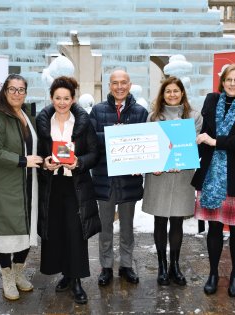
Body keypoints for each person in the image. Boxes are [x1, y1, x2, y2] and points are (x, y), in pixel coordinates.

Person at [191, 64, 235, 297]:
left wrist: (215, 142)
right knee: (214, 227)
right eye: (228, 80)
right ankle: (213, 273)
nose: (232, 83)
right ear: (222, 82)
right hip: (212, 175)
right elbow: (200, 130)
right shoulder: (211, 102)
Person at [36, 76, 101, 304]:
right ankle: (65, 274)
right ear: (51, 98)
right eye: (57, 98)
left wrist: (78, 163)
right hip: (52, 185)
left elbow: (94, 154)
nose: (62, 102)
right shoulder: (43, 122)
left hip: (76, 184)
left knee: (76, 232)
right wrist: (45, 163)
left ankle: (77, 280)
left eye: (66, 98)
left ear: (73, 99)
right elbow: (38, 152)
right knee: (56, 232)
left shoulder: (83, 123)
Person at [0, 74, 42, 300]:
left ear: (26, 92)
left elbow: (37, 145)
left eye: (21, 89)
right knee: (6, 232)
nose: (17, 93)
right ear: (4, 91)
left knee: (27, 230)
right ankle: (6, 275)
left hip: (28, 183)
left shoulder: (27, 114)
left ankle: (18, 271)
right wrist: (24, 161)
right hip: (4, 185)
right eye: (12, 89)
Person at [142, 76, 202, 286]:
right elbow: (149, 147)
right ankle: (161, 266)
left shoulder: (194, 116)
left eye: (176, 90)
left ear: (182, 93)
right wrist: (155, 163)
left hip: (183, 174)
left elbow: (193, 145)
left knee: (177, 220)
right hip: (159, 174)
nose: (172, 94)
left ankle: (174, 266)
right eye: (168, 91)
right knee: (160, 219)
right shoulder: (154, 117)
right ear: (163, 94)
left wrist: (180, 159)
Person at [90, 70, 148, 286]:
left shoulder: (141, 112)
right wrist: (113, 134)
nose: (120, 87)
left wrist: (142, 163)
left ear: (130, 84)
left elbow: (146, 142)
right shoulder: (97, 111)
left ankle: (126, 265)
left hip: (128, 179)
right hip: (104, 178)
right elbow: (89, 140)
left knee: (127, 225)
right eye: (115, 83)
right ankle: (106, 267)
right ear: (109, 85)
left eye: (123, 82)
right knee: (105, 225)